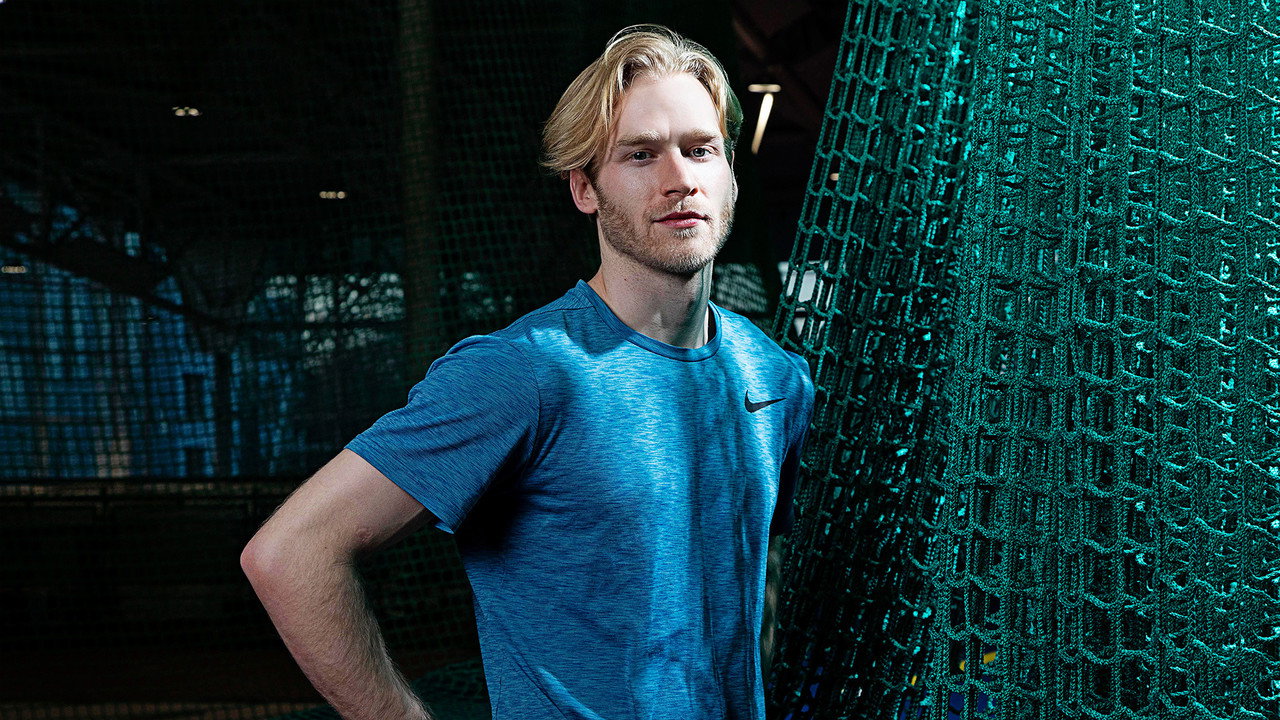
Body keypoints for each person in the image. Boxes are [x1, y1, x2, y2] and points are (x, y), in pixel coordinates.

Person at [240, 24, 815, 720]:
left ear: (729, 174)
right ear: (585, 188)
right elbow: (290, 553)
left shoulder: (775, 378)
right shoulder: (523, 374)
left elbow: (755, 591)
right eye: (641, 154)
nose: (680, 179)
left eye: (701, 149)